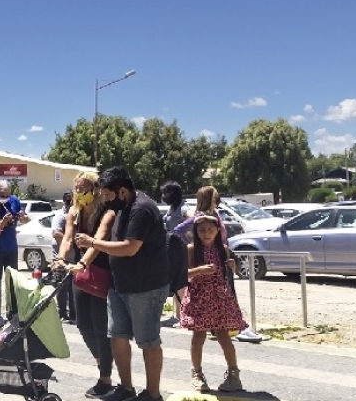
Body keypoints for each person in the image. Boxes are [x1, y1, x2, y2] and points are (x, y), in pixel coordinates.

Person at [84, 167, 169, 401]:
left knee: (148, 340)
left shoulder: (141, 209)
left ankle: (153, 394)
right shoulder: (121, 207)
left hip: (146, 287)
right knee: (117, 336)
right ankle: (126, 387)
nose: (106, 200)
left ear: (122, 191)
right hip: (120, 284)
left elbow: (130, 248)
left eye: (108, 195)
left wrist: (92, 242)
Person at [58, 172, 116, 397]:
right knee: (82, 324)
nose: (79, 193)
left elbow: (99, 242)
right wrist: (62, 259)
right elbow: (67, 238)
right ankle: (103, 362)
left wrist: (83, 262)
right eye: (77, 188)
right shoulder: (75, 212)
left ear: (95, 189)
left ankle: (105, 378)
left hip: (101, 269)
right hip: (81, 271)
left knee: (101, 326)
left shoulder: (107, 213)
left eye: (84, 188)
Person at [181, 215, 246, 392]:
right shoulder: (191, 249)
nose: (206, 234)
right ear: (196, 232)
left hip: (219, 298)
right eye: (202, 230)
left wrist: (233, 266)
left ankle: (234, 374)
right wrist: (199, 270)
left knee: (224, 336)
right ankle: (197, 373)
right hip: (199, 297)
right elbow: (183, 274)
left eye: (210, 230)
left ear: (218, 231)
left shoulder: (223, 249)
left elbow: (234, 271)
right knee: (198, 336)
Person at [0, 179, 28, 314]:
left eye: (7, 194)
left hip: (11, 247)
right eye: (2, 194)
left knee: (12, 281)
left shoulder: (15, 200)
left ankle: (13, 311)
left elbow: (23, 218)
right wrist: (3, 221)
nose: (5, 197)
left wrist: (22, 217)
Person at [159, 181, 186, 329]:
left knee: (181, 282)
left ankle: (184, 315)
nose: (163, 196)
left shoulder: (184, 208)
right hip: (171, 248)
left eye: (165, 193)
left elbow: (193, 219)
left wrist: (180, 232)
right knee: (175, 282)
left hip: (181, 248)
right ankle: (177, 315)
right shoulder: (172, 208)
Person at [52, 192, 73, 323]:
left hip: (73, 257)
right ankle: (62, 313)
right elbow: (55, 233)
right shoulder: (61, 216)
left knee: (72, 287)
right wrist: (70, 240)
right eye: (69, 201)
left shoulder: (76, 214)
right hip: (60, 257)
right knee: (61, 286)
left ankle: (73, 313)